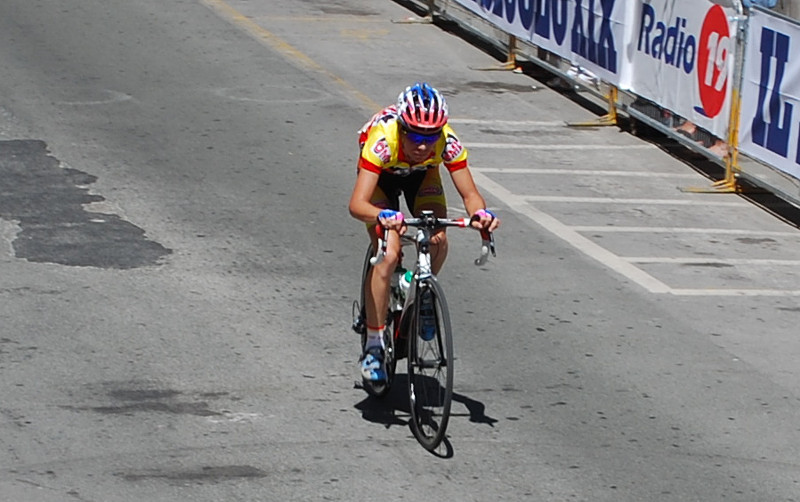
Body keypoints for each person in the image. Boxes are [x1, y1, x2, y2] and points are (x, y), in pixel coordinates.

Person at [348, 82, 500, 383]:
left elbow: (470, 195)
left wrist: (480, 216)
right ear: (402, 129)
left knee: (438, 237)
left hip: (422, 177)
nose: (422, 146)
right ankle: (374, 346)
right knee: (389, 253)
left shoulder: (446, 141)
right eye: (415, 136)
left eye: (430, 138)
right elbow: (357, 204)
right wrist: (382, 216)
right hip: (381, 180)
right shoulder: (382, 140)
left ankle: (421, 293)